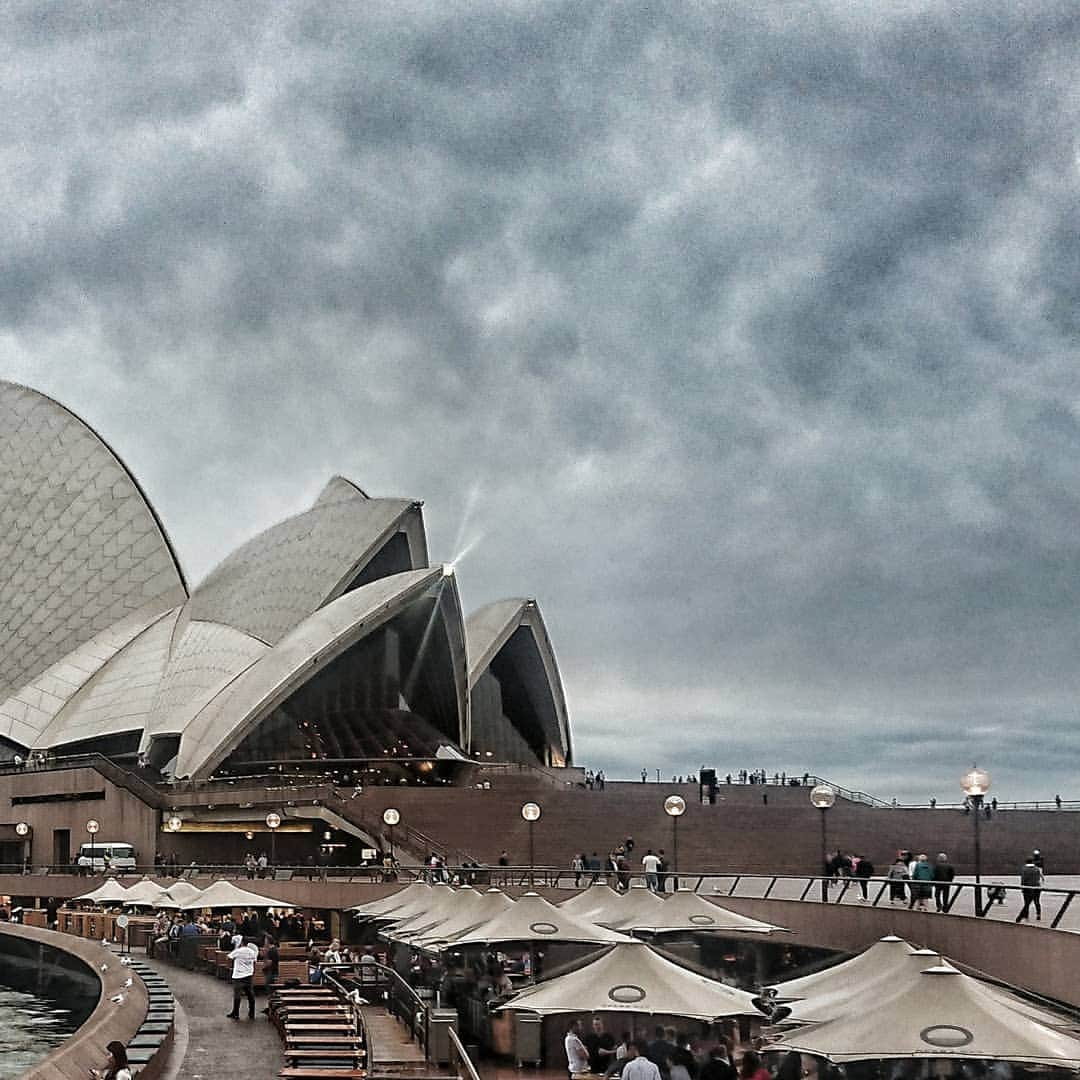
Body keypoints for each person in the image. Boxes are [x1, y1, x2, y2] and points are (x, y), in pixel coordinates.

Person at [226, 937, 259, 1019]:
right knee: (250, 995)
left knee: (237, 995)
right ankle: (252, 1013)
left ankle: (236, 1013)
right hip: (248, 975)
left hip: (238, 975)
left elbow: (228, 957)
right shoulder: (252, 952)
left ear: (242, 943)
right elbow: (254, 961)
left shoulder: (238, 951)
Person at [1016, 856, 1044, 922]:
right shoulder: (1037, 869)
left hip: (1027, 888)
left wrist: (1022, 887)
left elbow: (1023, 879)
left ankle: (1025, 915)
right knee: (1037, 901)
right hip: (1036, 887)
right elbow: (1039, 878)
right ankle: (1038, 915)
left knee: (1027, 902)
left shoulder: (1024, 869)